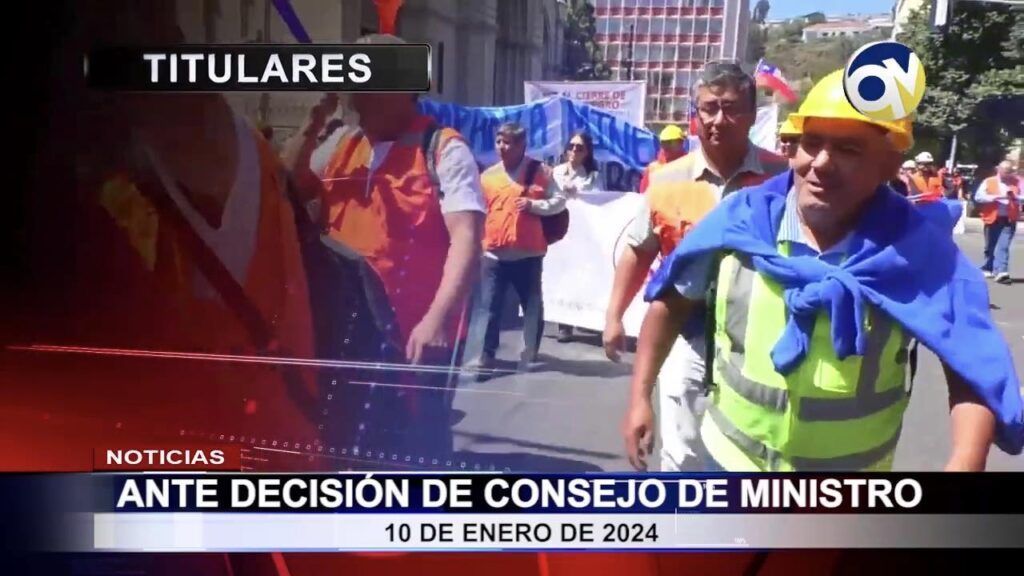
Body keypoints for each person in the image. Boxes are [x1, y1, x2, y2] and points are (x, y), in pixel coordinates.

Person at [625, 68, 1024, 472]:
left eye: (849, 149)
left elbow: (972, 365)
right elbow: (670, 303)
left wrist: (965, 462)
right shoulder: (739, 222)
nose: (821, 163)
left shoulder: (919, 252)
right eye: (811, 143)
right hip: (728, 467)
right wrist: (641, 394)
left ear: (890, 163)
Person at [289, 34, 486, 460]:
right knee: (345, 450)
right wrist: (313, 120)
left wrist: (437, 319)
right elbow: (282, 185)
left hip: (415, 340)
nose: (355, 98)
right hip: (346, 336)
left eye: (364, 83)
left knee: (414, 454)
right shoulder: (340, 145)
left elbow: (467, 238)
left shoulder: (444, 149)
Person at [603, 61, 788, 472]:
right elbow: (638, 250)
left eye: (731, 108)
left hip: (760, 343)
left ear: (752, 115)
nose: (719, 119)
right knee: (682, 454)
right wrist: (614, 315)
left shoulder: (784, 178)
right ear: (695, 113)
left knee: (751, 458)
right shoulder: (667, 181)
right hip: (684, 336)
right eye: (709, 108)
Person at [464, 122, 566, 373]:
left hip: (528, 253)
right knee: (488, 306)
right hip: (493, 253)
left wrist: (534, 206)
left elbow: (559, 201)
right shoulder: (488, 176)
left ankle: (530, 352)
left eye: (507, 142)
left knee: (531, 305)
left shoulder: (541, 172)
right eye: (499, 141)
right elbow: (477, 210)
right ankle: (485, 355)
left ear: (522, 145)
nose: (502, 147)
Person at [551, 131, 603, 342]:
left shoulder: (592, 176)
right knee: (559, 275)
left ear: (587, 153)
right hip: (557, 230)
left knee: (579, 276)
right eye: (571, 146)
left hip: (581, 233)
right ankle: (562, 322)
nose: (574, 150)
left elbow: (599, 200)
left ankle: (580, 319)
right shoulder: (556, 172)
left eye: (579, 148)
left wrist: (579, 194)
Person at [975, 160, 1020, 284]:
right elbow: (979, 197)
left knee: (1004, 246)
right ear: (998, 170)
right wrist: (994, 197)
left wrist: (1016, 198)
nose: (1007, 175)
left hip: (1009, 219)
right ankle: (987, 267)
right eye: (1005, 172)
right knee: (990, 245)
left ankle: (1002, 272)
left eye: (1009, 172)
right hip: (992, 218)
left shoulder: (1017, 182)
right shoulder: (989, 181)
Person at [639, 125, 687, 193]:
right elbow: (644, 195)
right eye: (665, 143)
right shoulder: (653, 169)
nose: (668, 146)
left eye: (673, 143)